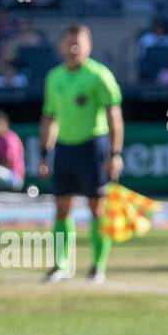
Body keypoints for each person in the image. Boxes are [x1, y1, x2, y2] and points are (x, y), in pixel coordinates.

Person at [38, 24, 123, 283]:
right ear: (62, 46)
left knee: (97, 208)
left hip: (93, 147)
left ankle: (98, 266)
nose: (73, 48)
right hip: (65, 147)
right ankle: (61, 265)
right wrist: (44, 154)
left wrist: (115, 153)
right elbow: (49, 117)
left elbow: (114, 115)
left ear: (89, 46)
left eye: (78, 43)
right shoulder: (54, 78)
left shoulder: (100, 76)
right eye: (69, 42)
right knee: (62, 207)